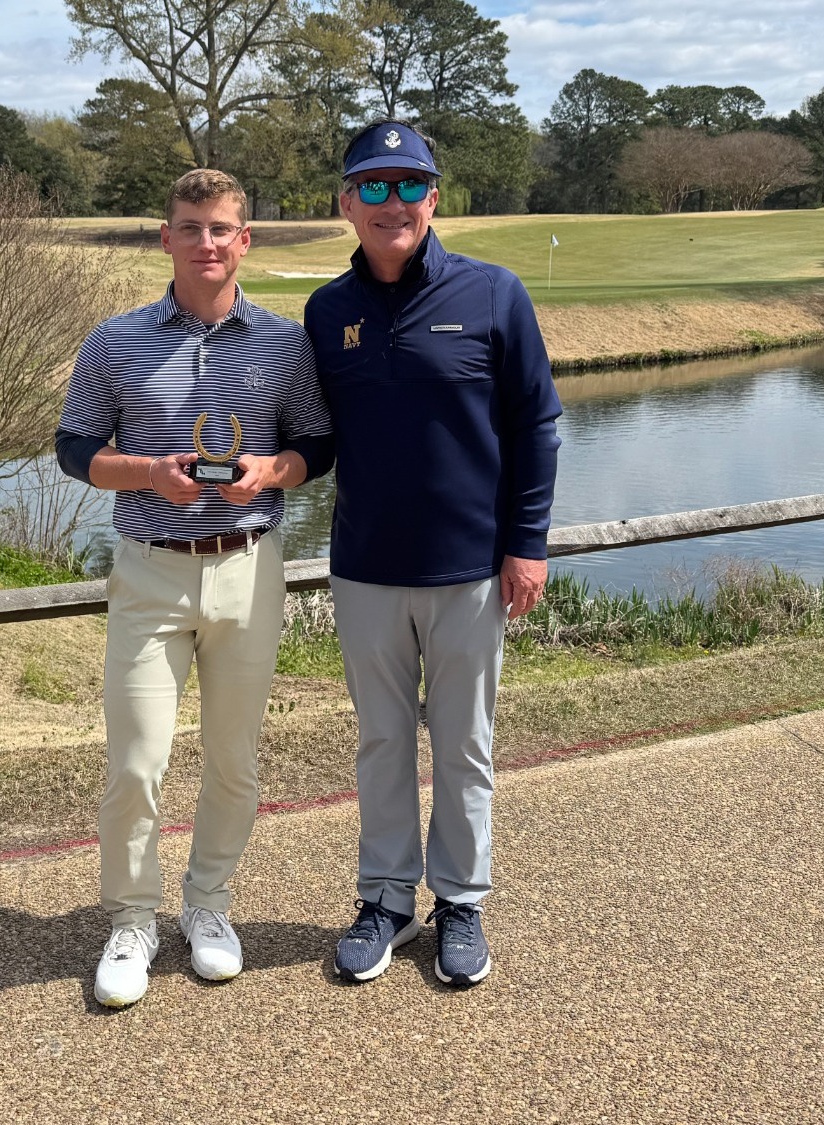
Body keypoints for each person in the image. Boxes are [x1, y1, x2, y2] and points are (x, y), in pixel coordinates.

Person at [55, 168, 335, 1008]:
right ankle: (133, 917)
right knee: (137, 760)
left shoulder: (287, 343)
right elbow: (74, 450)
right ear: (166, 238)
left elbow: (316, 449)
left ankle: (207, 904)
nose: (206, 242)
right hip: (150, 567)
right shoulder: (115, 341)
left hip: (249, 568)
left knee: (234, 760)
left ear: (245, 240)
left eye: (221, 228)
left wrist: (271, 469)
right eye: (190, 227)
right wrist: (147, 471)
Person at [303, 120, 562, 988]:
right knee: (382, 743)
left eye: (407, 184)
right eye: (371, 188)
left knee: (463, 746)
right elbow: (316, 438)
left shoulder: (494, 293)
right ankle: (385, 899)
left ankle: (460, 900)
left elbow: (538, 426)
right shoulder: (326, 312)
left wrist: (526, 543)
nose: (392, 202)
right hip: (366, 566)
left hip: (471, 570)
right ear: (346, 204)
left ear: (434, 197)